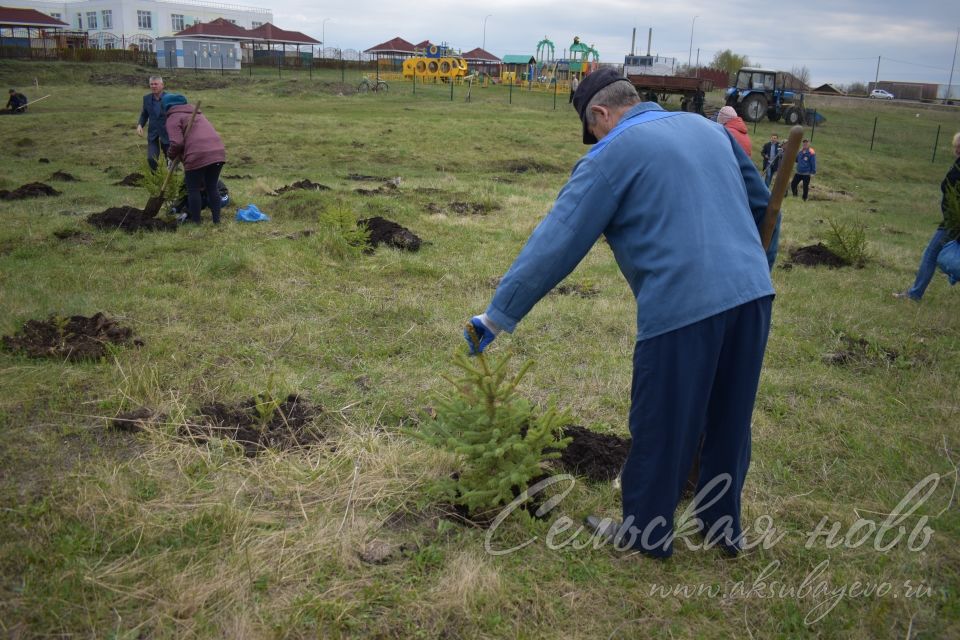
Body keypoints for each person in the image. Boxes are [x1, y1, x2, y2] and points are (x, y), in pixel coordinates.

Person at [463, 68, 779, 558]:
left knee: (662, 419)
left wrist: (497, 315)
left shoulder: (612, 155)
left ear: (600, 114)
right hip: (754, 295)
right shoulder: (710, 130)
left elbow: (558, 240)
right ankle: (722, 528)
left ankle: (645, 535)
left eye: (593, 134)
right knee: (730, 418)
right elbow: (764, 205)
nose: (594, 142)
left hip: (682, 306)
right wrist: (757, 268)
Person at [894, 131, 960, 301]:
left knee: (931, 254)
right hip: (951, 220)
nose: (957, 150)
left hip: (954, 222)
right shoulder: (958, 164)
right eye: (956, 146)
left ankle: (915, 294)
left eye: (959, 147)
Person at [162, 93, 226, 225]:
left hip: (197, 154)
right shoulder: (197, 114)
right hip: (217, 152)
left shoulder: (173, 117)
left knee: (193, 189)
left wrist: (170, 156)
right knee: (212, 187)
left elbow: (177, 143)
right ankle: (217, 221)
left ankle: (196, 222)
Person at [137, 76, 168, 171]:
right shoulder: (146, 99)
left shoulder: (169, 98)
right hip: (153, 134)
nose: (153, 86)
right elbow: (144, 114)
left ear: (162, 85)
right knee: (151, 158)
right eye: (151, 84)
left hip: (167, 133)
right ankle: (156, 178)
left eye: (156, 84)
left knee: (171, 159)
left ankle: (172, 179)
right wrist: (140, 125)